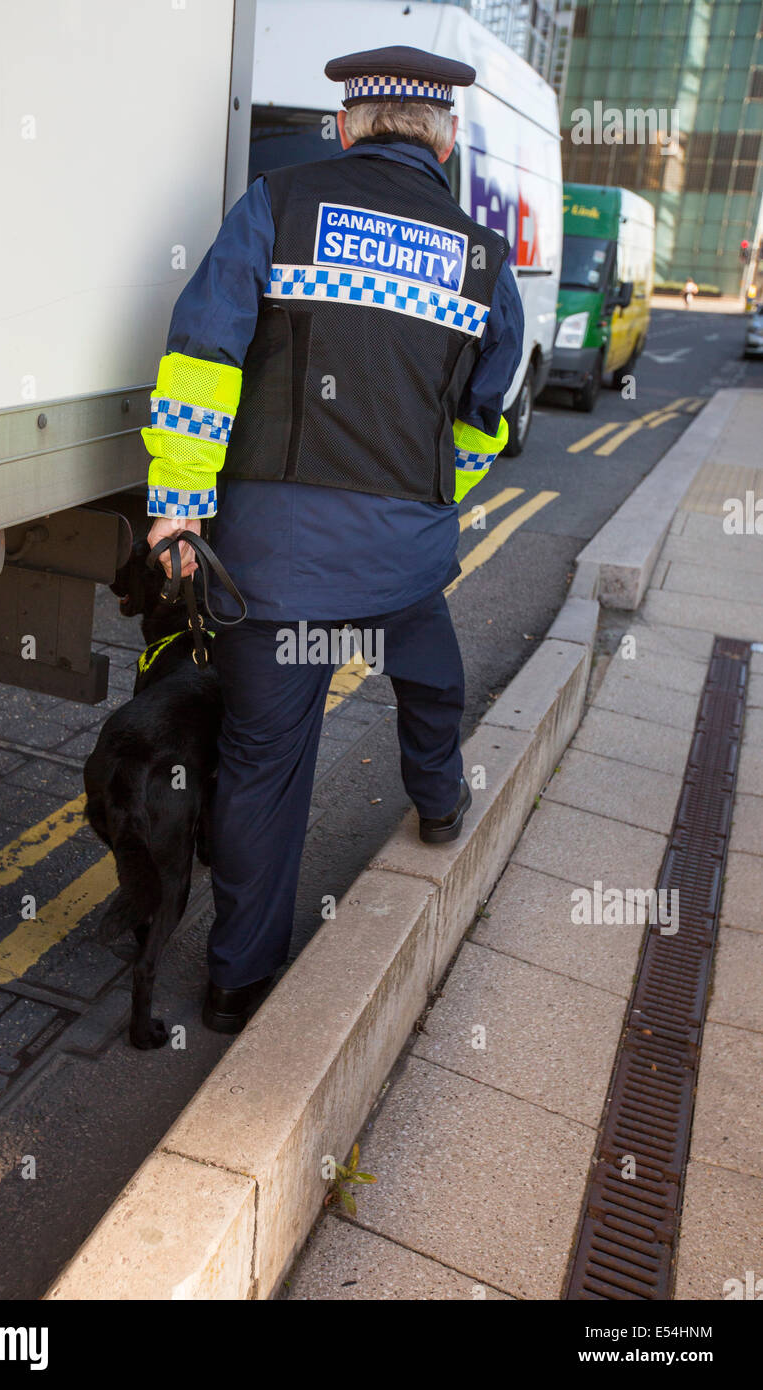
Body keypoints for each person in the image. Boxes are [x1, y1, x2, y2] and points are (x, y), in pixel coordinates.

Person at [142, 45, 525, 1032]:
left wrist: (178, 503)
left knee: (265, 765)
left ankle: (237, 983)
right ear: (444, 138)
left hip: (270, 569)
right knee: (433, 682)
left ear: (348, 122)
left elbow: (202, 358)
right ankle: (437, 801)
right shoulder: (482, 260)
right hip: (403, 564)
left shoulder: (277, 204)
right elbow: (486, 418)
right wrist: (436, 491)